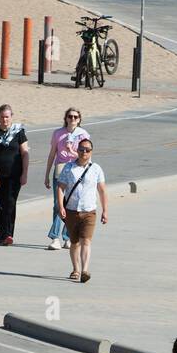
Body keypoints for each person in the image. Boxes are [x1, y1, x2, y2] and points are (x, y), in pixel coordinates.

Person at [54, 137, 107, 283]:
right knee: (74, 242)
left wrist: (105, 211)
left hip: (89, 211)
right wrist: (60, 206)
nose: (84, 152)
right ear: (77, 150)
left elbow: (102, 191)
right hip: (71, 210)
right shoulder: (69, 168)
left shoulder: (96, 169)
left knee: (86, 241)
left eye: (87, 150)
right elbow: (60, 187)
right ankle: (75, 269)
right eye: (82, 149)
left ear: (91, 152)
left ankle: (84, 270)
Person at [45, 108, 90, 250]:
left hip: (76, 170)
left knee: (71, 205)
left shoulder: (83, 135)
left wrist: (72, 151)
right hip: (60, 168)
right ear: (66, 118)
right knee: (58, 205)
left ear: (79, 119)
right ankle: (55, 237)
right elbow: (52, 154)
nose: (72, 119)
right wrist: (46, 174)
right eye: (70, 116)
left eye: (75, 117)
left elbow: (86, 156)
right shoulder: (58, 133)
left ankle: (68, 236)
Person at [0, 105, 29, 247]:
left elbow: (25, 154)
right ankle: (2, 233)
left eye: (7, 116)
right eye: (2, 116)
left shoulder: (19, 132)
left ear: (11, 117)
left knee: (10, 203)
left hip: (14, 176)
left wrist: (25, 174)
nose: (5, 119)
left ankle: (8, 234)